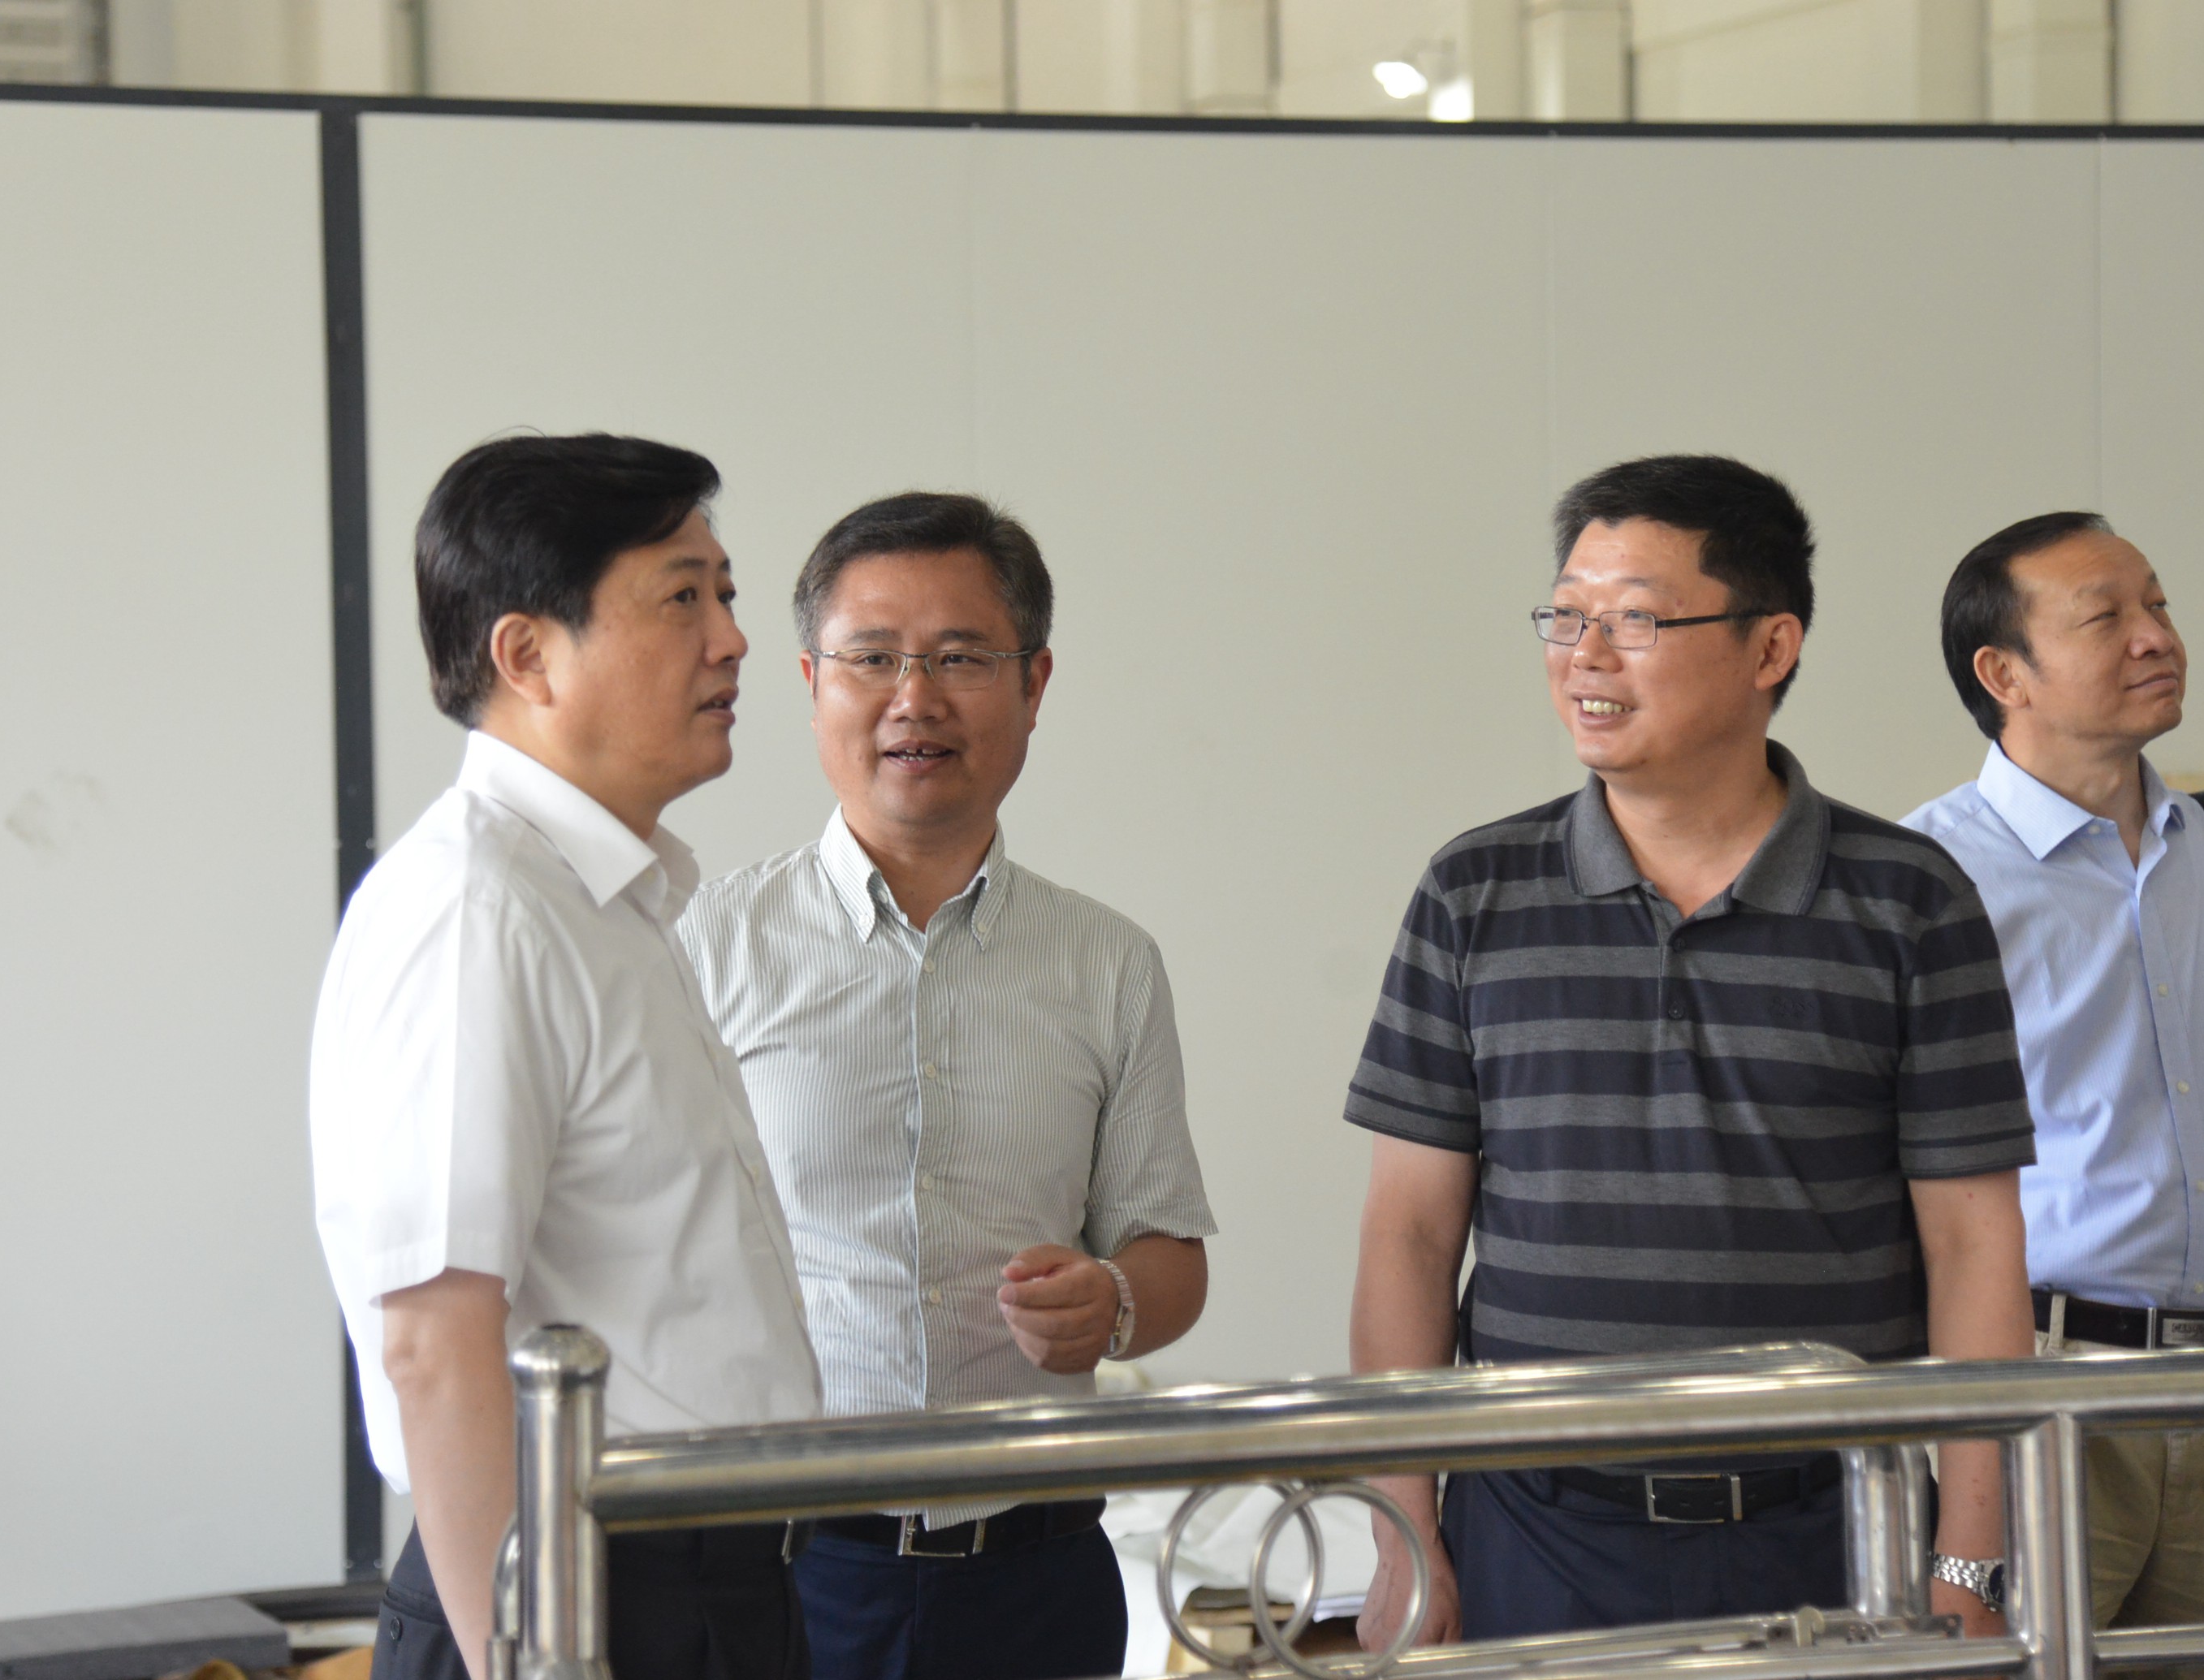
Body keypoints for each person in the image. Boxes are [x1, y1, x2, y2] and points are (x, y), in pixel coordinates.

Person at [1343, 456, 2036, 1649]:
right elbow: (1408, 1234)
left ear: (1771, 647)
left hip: (1836, 1529)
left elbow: (1974, 1245)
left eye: (1635, 620)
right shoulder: (1474, 892)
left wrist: (1968, 1561)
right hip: (1536, 1530)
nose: (1585, 656)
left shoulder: (1911, 900)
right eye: (1566, 616)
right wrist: (1403, 1534)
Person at [309, 435, 823, 1680]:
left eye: (726, 593)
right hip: (573, 1591)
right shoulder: (476, 906)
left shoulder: (602, 898)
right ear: (528, 655)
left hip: (702, 1579)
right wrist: (531, 1662)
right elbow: (434, 1338)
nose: (733, 640)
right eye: (682, 597)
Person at [678, 491, 1215, 1680]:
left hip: (1040, 1576)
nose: (913, 698)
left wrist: (1115, 1300)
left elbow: (1171, 1259)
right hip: (784, 1572)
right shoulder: (705, 945)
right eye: (872, 657)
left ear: (1035, 684)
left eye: (961, 657)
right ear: (812, 683)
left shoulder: (1109, 962)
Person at [1904, 512, 2204, 1641]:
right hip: (2043, 1391)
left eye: (2158, 604)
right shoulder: (1924, 881)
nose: (2156, 636)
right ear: (2004, 675)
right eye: (2105, 617)